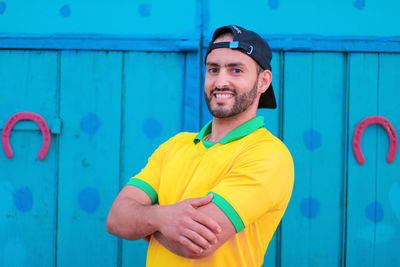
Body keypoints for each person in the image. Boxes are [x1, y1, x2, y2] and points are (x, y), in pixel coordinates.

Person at [106, 25, 294, 267]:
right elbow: (115, 218)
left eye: (236, 70)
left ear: (263, 81)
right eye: (213, 69)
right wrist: (163, 218)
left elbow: (195, 244)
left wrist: (143, 221)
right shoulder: (175, 146)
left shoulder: (268, 154)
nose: (220, 81)